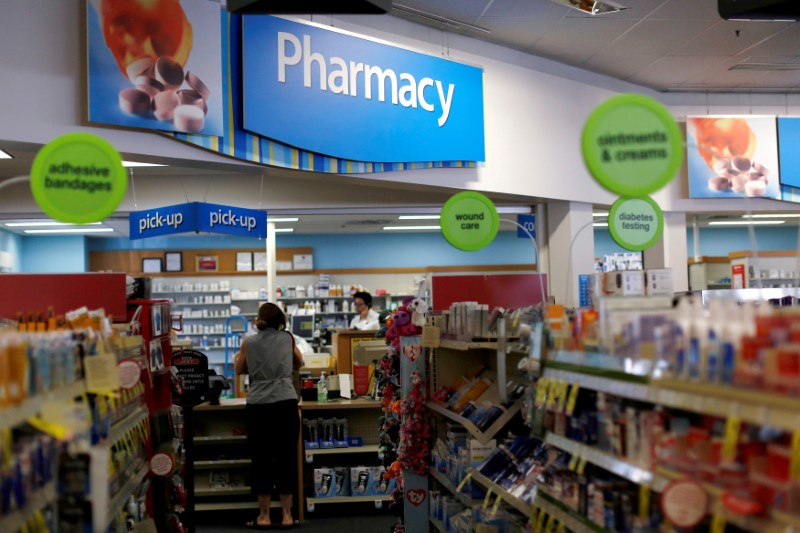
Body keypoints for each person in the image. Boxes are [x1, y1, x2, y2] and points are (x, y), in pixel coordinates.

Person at [235, 303, 304, 530]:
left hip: (259, 405)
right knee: (286, 458)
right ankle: (286, 515)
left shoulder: (249, 342)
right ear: (281, 320)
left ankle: (263, 516)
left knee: (261, 460)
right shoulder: (287, 338)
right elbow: (300, 362)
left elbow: (239, 368)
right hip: (285, 403)